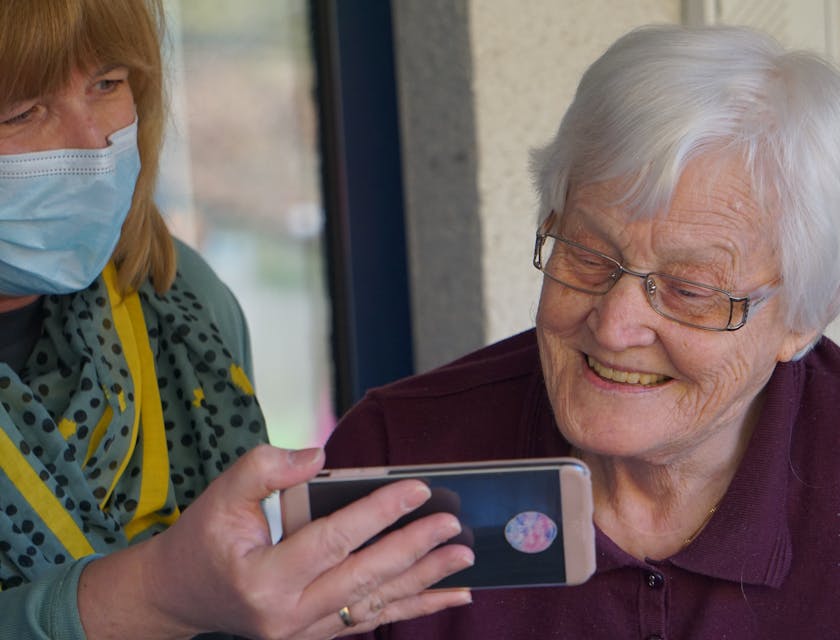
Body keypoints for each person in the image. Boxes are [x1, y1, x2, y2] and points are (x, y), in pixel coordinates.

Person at [324, 23, 840, 639]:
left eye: (691, 291)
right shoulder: (401, 457)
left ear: (804, 318)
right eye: (588, 256)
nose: (615, 325)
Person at [0, 1, 474, 639]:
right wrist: (157, 595)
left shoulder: (176, 297)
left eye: (108, 84)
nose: (94, 143)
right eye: (23, 111)